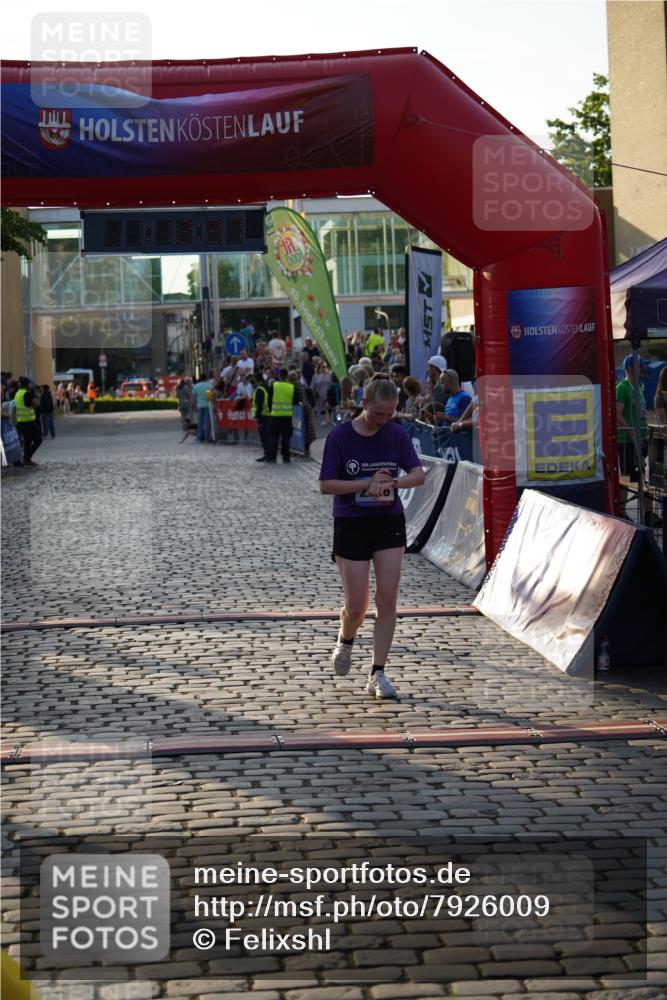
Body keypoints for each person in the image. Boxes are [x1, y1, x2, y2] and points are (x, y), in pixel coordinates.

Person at [319, 377, 426, 699]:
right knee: (356, 606)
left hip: (388, 521)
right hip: (351, 523)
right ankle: (346, 639)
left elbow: (418, 475)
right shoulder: (340, 437)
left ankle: (377, 673)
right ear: (364, 405)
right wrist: (365, 484)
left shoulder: (395, 434)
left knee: (388, 599)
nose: (386, 420)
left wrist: (393, 483)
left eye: (391, 413)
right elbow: (327, 485)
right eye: (380, 414)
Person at [616, 354, 649, 479]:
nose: (643, 369)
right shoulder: (622, 388)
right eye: (640, 366)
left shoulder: (638, 387)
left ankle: (640, 498)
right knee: (626, 478)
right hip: (627, 442)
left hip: (641, 438)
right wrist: (633, 434)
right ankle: (623, 499)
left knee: (639, 478)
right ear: (630, 368)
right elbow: (618, 415)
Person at [266, 368, 295, 463]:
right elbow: (296, 401)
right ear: (287, 376)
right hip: (287, 416)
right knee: (285, 438)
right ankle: (286, 457)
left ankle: (272, 457)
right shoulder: (291, 387)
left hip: (275, 416)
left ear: (279, 376)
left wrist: (271, 410)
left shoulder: (274, 385)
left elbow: (269, 400)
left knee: (274, 438)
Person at [14, 376, 42, 466]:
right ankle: (26, 458)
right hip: (29, 421)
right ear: (27, 385)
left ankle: (26, 458)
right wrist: (35, 396)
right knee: (38, 440)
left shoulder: (17, 393)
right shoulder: (27, 394)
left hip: (21, 421)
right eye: (29, 384)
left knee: (27, 441)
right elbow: (36, 404)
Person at [252, 373, 271, 461]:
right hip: (268, 415)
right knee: (267, 436)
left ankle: (267, 455)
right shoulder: (267, 387)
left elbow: (259, 404)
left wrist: (257, 414)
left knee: (264, 437)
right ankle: (267, 455)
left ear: (256, 379)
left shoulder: (260, 389)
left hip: (263, 416)